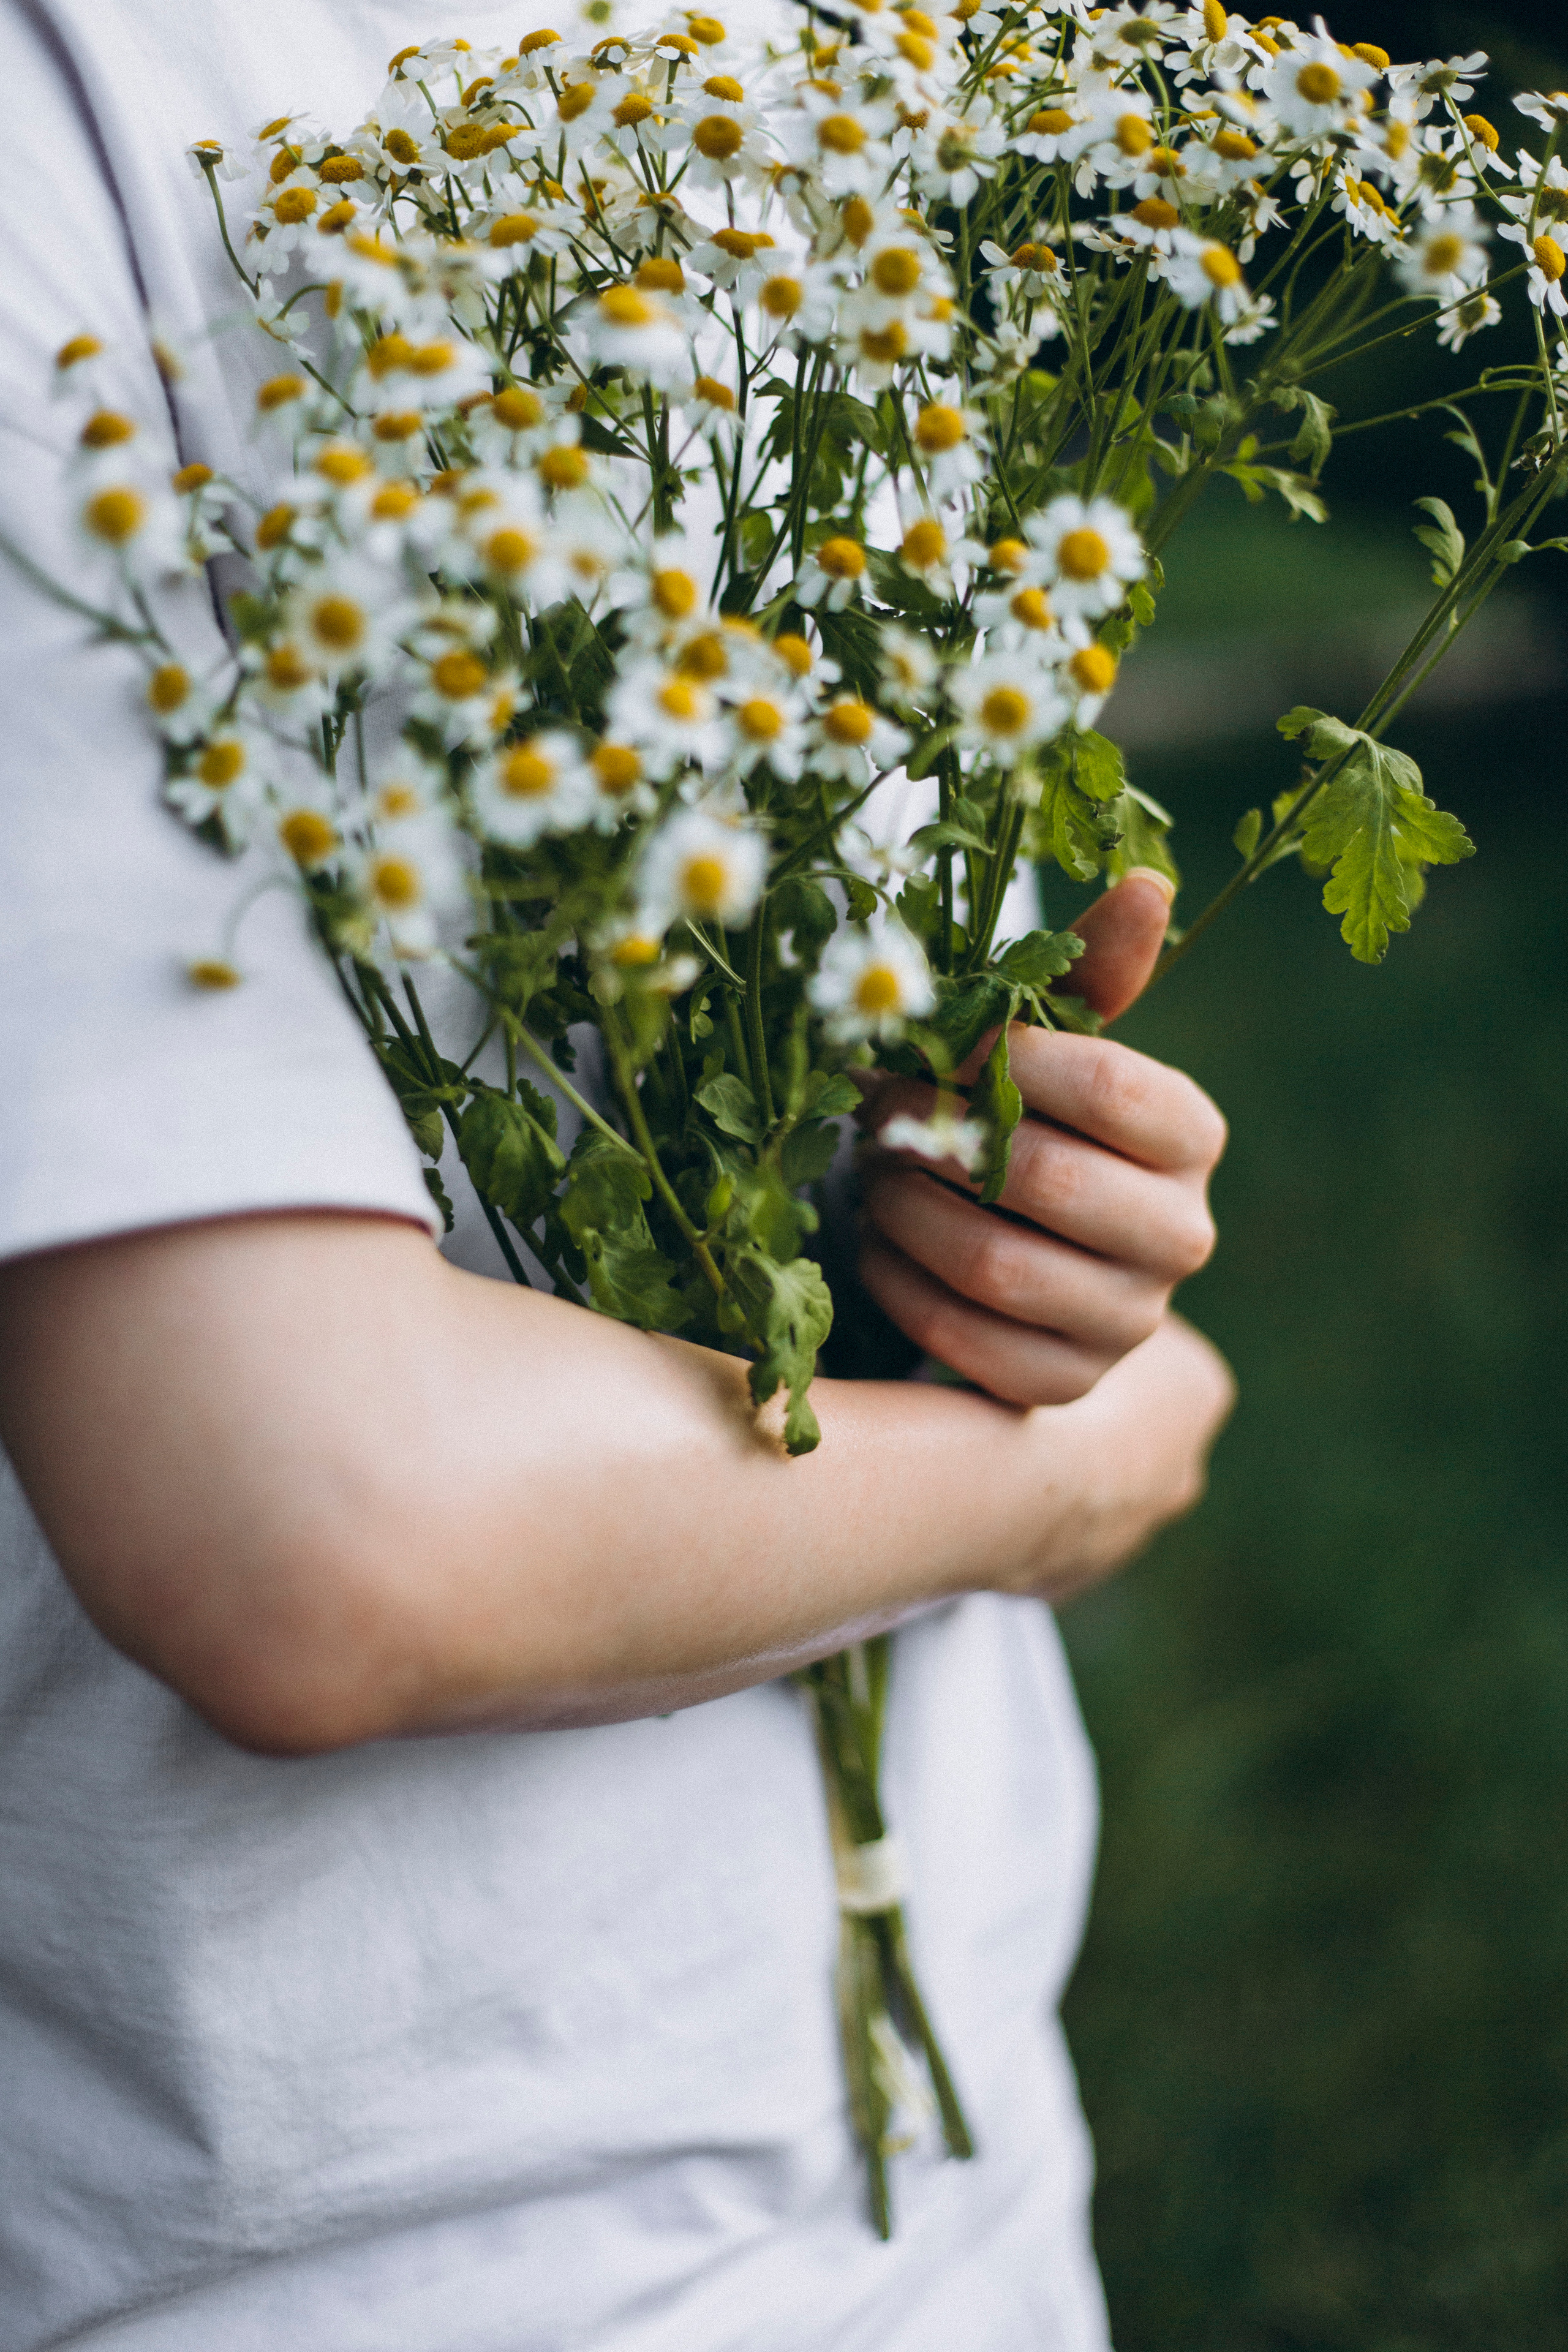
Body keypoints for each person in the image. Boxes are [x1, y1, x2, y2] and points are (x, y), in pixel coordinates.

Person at [0, 2, 1233, 2345]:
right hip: (325, 2265)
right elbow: (327, 1531)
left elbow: (849, 1057)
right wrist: (1074, 1468)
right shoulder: (62, 122)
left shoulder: (813, 67)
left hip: (955, 2189)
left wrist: (995, 1244)